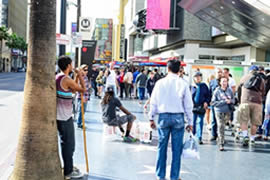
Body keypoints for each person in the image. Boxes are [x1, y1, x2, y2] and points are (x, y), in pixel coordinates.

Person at [148, 60, 193, 180]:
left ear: (167, 69)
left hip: (163, 117)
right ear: (179, 70)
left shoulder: (160, 83)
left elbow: (154, 102)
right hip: (178, 117)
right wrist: (190, 122)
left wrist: (151, 118)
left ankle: (160, 175)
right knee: (177, 149)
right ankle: (174, 176)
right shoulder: (183, 83)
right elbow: (188, 104)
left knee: (162, 147)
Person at [56, 56, 85, 179]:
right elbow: (82, 89)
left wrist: (77, 76)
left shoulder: (59, 77)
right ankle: (68, 171)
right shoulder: (66, 79)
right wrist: (80, 75)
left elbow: (73, 91)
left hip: (62, 115)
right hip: (64, 117)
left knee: (68, 143)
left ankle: (69, 166)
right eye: (72, 64)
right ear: (68, 66)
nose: (73, 66)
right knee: (69, 144)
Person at [238, 65, 264, 146]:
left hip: (245, 101)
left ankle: (245, 136)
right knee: (254, 123)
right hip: (257, 103)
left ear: (250, 71)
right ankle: (252, 139)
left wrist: (240, 100)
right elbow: (263, 92)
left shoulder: (244, 77)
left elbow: (239, 90)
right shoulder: (261, 79)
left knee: (243, 120)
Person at [211, 76, 235, 151]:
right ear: (220, 83)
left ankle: (220, 137)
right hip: (219, 111)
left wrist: (230, 101)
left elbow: (234, 100)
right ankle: (221, 143)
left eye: (226, 81)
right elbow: (213, 102)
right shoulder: (217, 91)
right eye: (223, 81)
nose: (224, 83)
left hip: (227, 111)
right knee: (220, 126)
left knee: (223, 126)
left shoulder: (229, 90)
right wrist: (224, 101)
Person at [192, 72, 211, 144]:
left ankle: (199, 137)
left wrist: (206, 102)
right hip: (193, 107)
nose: (198, 78)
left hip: (201, 106)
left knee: (200, 121)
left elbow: (208, 95)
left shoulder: (204, 86)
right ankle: (193, 135)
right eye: (196, 77)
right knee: (193, 121)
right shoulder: (192, 86)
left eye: (199, 76)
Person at [209, 68, 223, 141]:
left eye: (221, 72)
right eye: (218, 72)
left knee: (221, 121)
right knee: (214, 120)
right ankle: (214, 135)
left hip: (222, 104)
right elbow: (209, 92)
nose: (219, 73)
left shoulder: (224, 81)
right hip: (214, 104)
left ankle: (221, 135)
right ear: (215, 73)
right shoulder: (212, 82)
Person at [76, 64, 91, 129]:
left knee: (83, 111)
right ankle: (79, 123)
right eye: (85, 70)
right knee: (81, 111)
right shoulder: (80, 77)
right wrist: (83, 97)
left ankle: (80, 122)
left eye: (87, 70)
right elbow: (79, 88)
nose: (86, 71)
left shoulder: (85, 77)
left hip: (86, 96)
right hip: (82, 97)